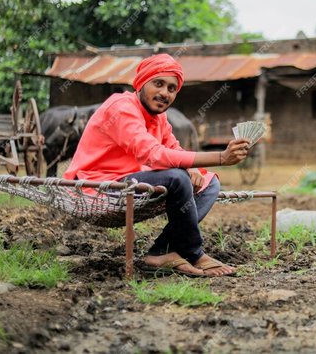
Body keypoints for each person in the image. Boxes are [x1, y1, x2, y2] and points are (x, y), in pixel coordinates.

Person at [63, 54, 250, 277]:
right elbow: (152, 154)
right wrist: (220, 157)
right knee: (177, 178)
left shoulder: (159, 118)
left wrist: (191, 168)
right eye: (158, 84)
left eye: (172, 88)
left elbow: (173, 147)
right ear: (142, 83)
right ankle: (193, 252)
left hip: (131, 181)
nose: (164, 93)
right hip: (99, 186)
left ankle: (163, 250)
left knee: (209, 182)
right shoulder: (121, 106)